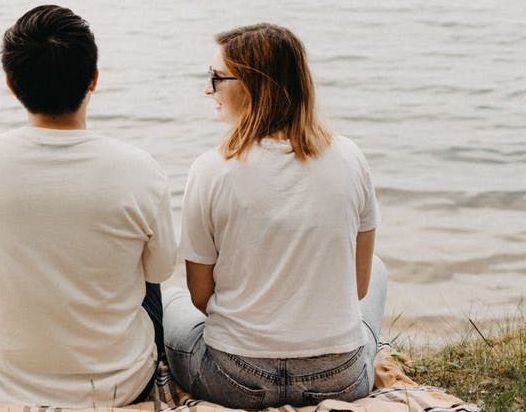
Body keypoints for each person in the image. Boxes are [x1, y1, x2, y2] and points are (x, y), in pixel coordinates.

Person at [0, 4, 177, 407]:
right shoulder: (139, 169)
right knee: (141, 260)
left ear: (11, 84)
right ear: (93, 78)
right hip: (120, 385)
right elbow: (161, 270)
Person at [163, 23, 388, 409]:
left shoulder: (210, 169)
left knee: (171, 299)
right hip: (339, 380)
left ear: (253, 84)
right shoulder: (351, 158)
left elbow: (201, 297)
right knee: (378, 269)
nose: (207, 89)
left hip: (234, 378)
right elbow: (359, 287)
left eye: (216, 78)